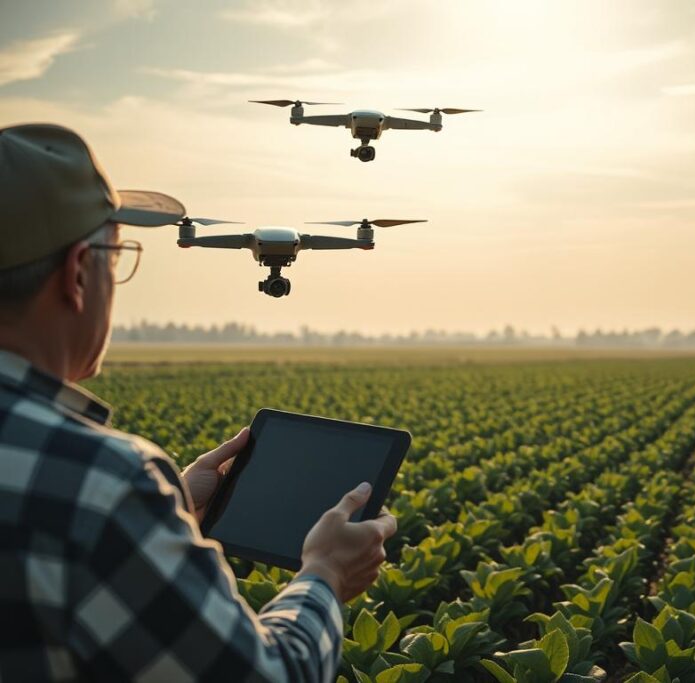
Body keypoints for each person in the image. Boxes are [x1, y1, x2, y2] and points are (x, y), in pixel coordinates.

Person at [0, 123, 397, 682]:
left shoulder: (93, 495)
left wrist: (173, 508)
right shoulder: (98, 484)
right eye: (119, 256)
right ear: (78, 275)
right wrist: (327, 573)